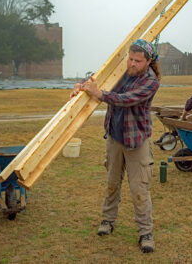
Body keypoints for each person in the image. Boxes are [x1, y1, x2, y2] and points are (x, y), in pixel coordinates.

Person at [70, 39, 160, 253]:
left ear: (148, 61)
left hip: (137, 140)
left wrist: (100, 94)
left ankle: (145, 233)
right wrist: (81, 85)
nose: (132, 63)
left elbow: (126, 99)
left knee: (139, 189)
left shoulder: (151, 81)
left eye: (138, 60)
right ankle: (108, 220)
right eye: (130, 58)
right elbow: (96, 78)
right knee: (112, 182)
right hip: (114, 137)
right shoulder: (120, 71)